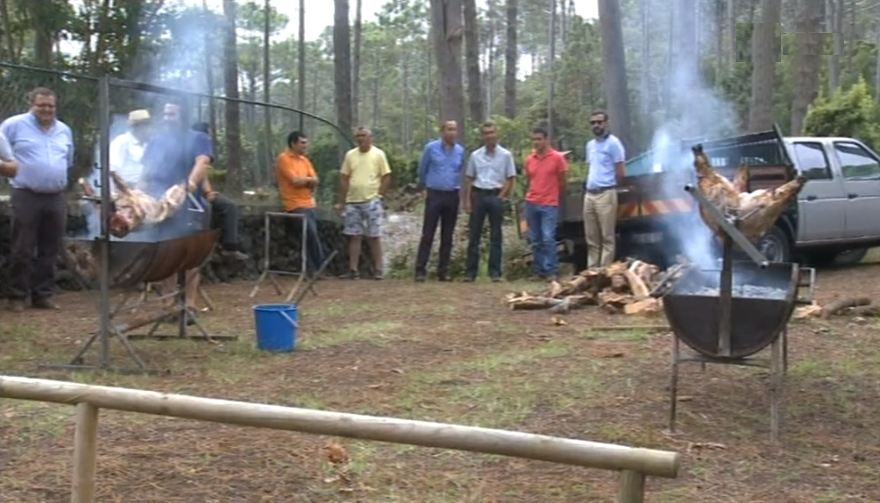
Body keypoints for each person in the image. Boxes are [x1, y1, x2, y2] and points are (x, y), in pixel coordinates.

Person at [1, 87, 74, 312]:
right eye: (41, 105)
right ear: (31, 104)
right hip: (26, 194)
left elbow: (69, 159)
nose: (46, 109)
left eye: (51, 105)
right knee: (22, 246)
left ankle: (43, 294)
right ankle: (17, 295)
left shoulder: (64, 130)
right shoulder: (13, 125)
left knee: (50, 248)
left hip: (56, 195)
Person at [139, 101, 213, 321]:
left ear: (183, 116)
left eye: (171, 114)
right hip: (160, 205)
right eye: (165, 114)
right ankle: (169, 305)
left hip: (188, 203)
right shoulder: (157, 141)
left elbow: (202, 163)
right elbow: (146, 173)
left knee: (191, 258)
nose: (167, 118)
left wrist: (187, 186)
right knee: (165, 255)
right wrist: (133, 196)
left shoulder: (197, 138)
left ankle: (190, 306)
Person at [334, 126, 391, 280]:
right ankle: (353, 270)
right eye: (358, 136)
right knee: (354, 236)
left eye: (363, 135)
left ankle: (379, 269)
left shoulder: (378, 154)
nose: (361, 138)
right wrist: (342, 201)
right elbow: (344, 178)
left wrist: (380, 195)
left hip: (372, 199)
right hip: (353, 201)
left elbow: (386, 176)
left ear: (370, 137)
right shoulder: (350, 155)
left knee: (374, 235)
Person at [462, 121, 516, 282]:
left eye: (492, 132)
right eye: (486, 133)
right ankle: (470, 273)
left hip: (495, 195)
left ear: (496, 134)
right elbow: (469, 179)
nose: (489, 136)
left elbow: (510, 178)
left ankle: (495, 273)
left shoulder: (506, 155)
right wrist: (467, 201)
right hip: (478, 195)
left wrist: (501, 197)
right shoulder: (475, 155)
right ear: (482, 136)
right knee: (474, 235)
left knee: (496, 235)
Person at [414, 120, 465, 282]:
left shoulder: (460, 151)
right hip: (435, 194)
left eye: (454, 130)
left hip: (452, 194)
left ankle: (443, 271)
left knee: (447, 235)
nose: (452, 133)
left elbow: (460, 170)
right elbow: (422, 170)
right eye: (449, 129)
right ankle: (420, 269)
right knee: (428, 233)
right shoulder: (431, 148)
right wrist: (427, 187)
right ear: (442, 131)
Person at [191, 121, 248, 260]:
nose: (210, 137)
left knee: (229, 206)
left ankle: (230, 246)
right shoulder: (192, 147)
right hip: (190, 195)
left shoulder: (203, 150)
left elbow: (204, 175)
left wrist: (208, 192)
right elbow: (198, 174)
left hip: (203, 193)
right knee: (206, 208)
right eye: (209, 134)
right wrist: (206, 194)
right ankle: (204, 248)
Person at [276, 130, 327, 278]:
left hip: (309, 203)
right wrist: (308, 180)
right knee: (309, 233)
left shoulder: (305, 160)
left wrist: (305, 180)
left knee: (313, 235)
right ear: (293, 143)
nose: (306, 146)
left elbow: (316, 180)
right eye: (302, 143)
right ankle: (317, 266)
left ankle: (314, 269)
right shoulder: (284, 159)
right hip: (294, 205)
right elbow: (294, 181)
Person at [523, 127, 568, 280]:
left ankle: (551, 270)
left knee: (548, 237)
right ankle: (539, 270)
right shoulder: (530, 159)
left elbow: (563, 181)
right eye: (534, 139)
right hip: (532, 202)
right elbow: (529, 179)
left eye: (539, 139)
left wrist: (555, 196)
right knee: (535, 239)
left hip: (549, 203)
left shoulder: (557, 158)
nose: (536, 142)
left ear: (546, 140)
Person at [584, 109, 625, 269]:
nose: (596, 125)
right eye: (593, 123)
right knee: (591, 238)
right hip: (590, 194)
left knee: (607, 237)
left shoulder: (614, 143)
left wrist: (612, 188)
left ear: (606, 124)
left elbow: (620, 171)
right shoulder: (590, 145)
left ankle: (603, 272)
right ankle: (591, 271)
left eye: (599, 122)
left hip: (605, 193)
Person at [109, 109, 151, 190]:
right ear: (137, 126)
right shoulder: (122, 142)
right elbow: (113, 170)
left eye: (148, 124)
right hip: (125, 188)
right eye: (146, 125)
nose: (149, 128)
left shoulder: (147, 144)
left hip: (143, 188)